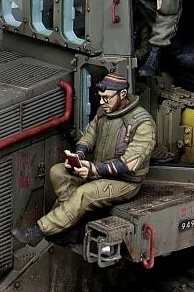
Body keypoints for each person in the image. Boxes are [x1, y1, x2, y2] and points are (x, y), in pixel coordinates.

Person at [13, 74, 156, 246]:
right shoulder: (103, 113)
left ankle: (39, 231)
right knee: (58, 172)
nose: (102, 102)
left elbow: (130, 163)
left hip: (125, 181)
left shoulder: (143, 123)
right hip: (99, 172)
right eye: (100, 98)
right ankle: (74, 225)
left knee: (84, 193)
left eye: (106, 98)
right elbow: (89, 137)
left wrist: (94, 169)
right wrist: (79, 156)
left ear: (123, 94)